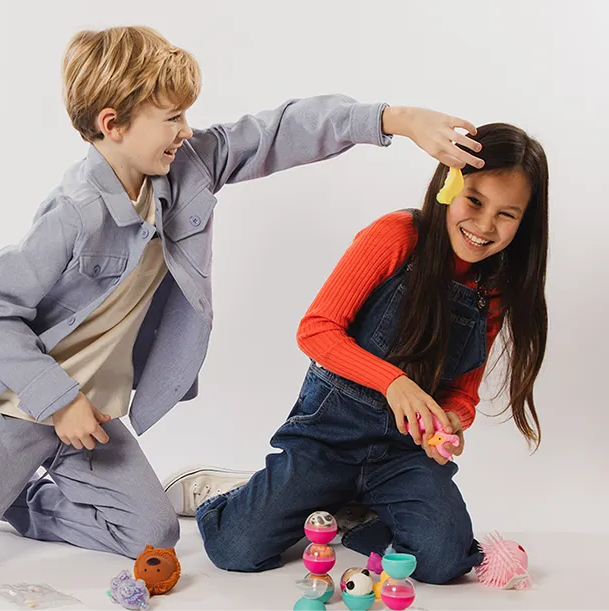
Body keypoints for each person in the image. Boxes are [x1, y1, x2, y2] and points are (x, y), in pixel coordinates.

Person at [0, 24, 487, 580]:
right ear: (113, 124)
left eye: (186, 116)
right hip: (22, 407)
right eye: (170, 117)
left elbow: (278, 129)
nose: (186, 130)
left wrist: (395, 118)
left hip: (92, 415)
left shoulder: (189, 165)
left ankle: (17, 498)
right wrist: (57, 400)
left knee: (154, 535)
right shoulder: (73, 213)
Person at [165, 122, 550, 585]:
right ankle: (233, 494)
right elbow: (316, 330)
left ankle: (353, 517)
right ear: (448, 188)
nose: (485, 225)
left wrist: (450, 420)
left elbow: (461, 391)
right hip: (328, 439)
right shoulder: (397, 236)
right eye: (474, 201)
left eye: (507, 215)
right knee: (236, 549)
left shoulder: (493, 289)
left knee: (443, 561)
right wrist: (394, 382)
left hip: (402, 456)